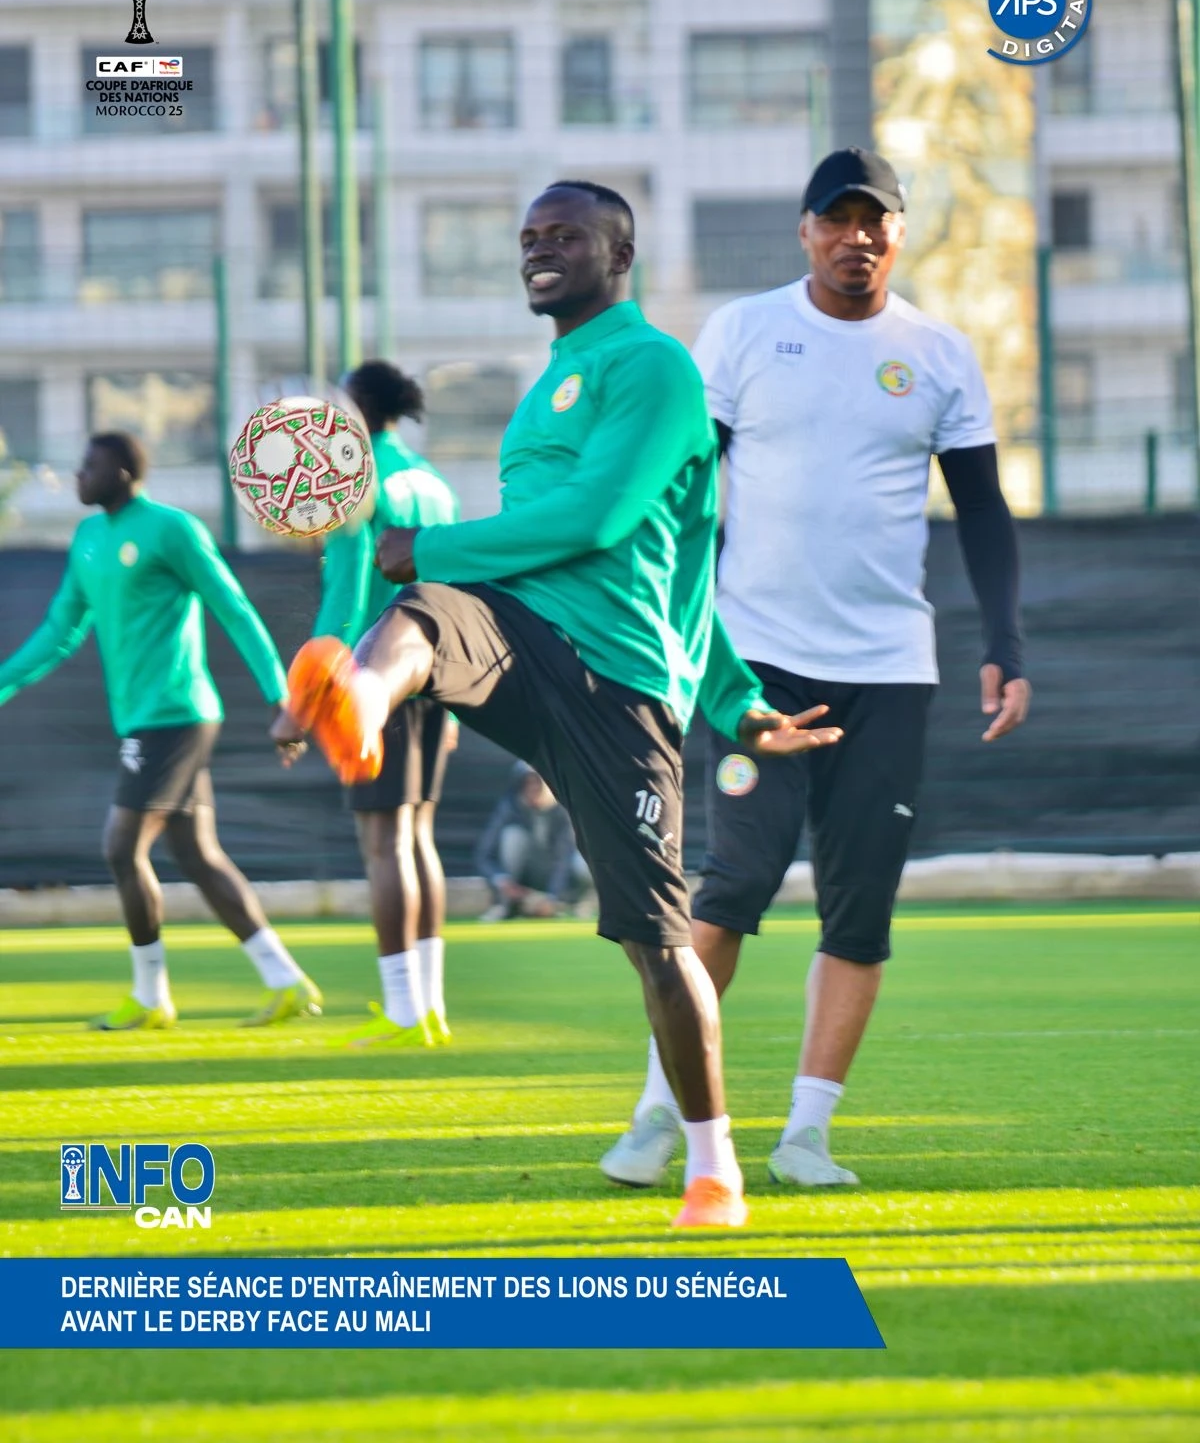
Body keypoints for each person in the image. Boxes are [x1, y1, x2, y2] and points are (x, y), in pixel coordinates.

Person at [281, 180, 842, 1228]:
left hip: (620, 691)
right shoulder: (550, 385)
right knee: (427, 610)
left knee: (656, 944)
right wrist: (430, 566)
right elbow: (546, 544)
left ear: (618, 252)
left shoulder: (654, 367)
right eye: (529, 236)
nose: (540, 248)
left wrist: (739, 703)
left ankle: (712, 1168)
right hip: (527, 645)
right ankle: (356, 696)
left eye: (565, 234)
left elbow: (615, 528)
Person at [601, 147, 1031, 1191]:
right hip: (753, 666)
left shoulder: (936, 353)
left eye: (874, 221)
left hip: (890, 673)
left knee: (861, 912)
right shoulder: (745, 333)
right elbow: (685, 497)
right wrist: (672, 628)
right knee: (735, 883)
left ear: (896, 232)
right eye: (836, 221)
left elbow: (981, 507)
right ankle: (666, 1111)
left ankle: (805, 1135)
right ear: (805, 232)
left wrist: (1005, 644)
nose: (857, 239)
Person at [0, 432, 320, 1030]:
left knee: (121, 848)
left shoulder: (172, 529)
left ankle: (152, 996)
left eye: (89, 465)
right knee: (198, 855)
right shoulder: (89, 539)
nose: (78, 474)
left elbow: (233, 607)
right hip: (145, 719)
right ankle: (287, 980)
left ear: (123, 471)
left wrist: (283, 698)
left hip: (177, 713)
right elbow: (59, 632)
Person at [274, 360, 459, 1048]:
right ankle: (431, 1007)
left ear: (355, 410)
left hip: (372, 684)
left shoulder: (357, 479)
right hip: (436, 671)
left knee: (383, 844)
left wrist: (303, 704)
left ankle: (403, 1012)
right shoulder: (433, 481)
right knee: (418, 838)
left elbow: (346, 601)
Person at [476, 761, 591, 921]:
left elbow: (564, 858)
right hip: (524, 881)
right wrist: (502, 880)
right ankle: (507, 904)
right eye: (527, 783)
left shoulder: (562, 810)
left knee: (584, 863)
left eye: (538, 782)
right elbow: (484, 855)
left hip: (559, 881)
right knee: (512, 836)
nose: (533, 788)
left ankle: (571, 903)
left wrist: (552, 897)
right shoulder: (509, 808)